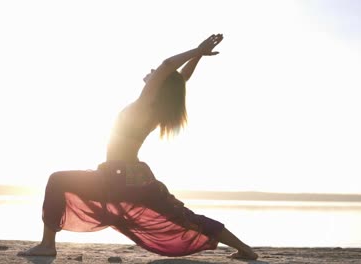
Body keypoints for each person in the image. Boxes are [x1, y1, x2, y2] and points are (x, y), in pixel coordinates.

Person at [18, 34, 258, 260]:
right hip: (134, 176)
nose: (152, 72)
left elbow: (166, 66)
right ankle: (246, 249)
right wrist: (198, 56)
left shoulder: (145, 104)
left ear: (159, 84)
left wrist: (197, 50)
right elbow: (180, 78)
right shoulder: (157, 108)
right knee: (185, 217)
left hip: (116, 176)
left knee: (57, 180)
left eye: (156, 74)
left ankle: (47, 246)